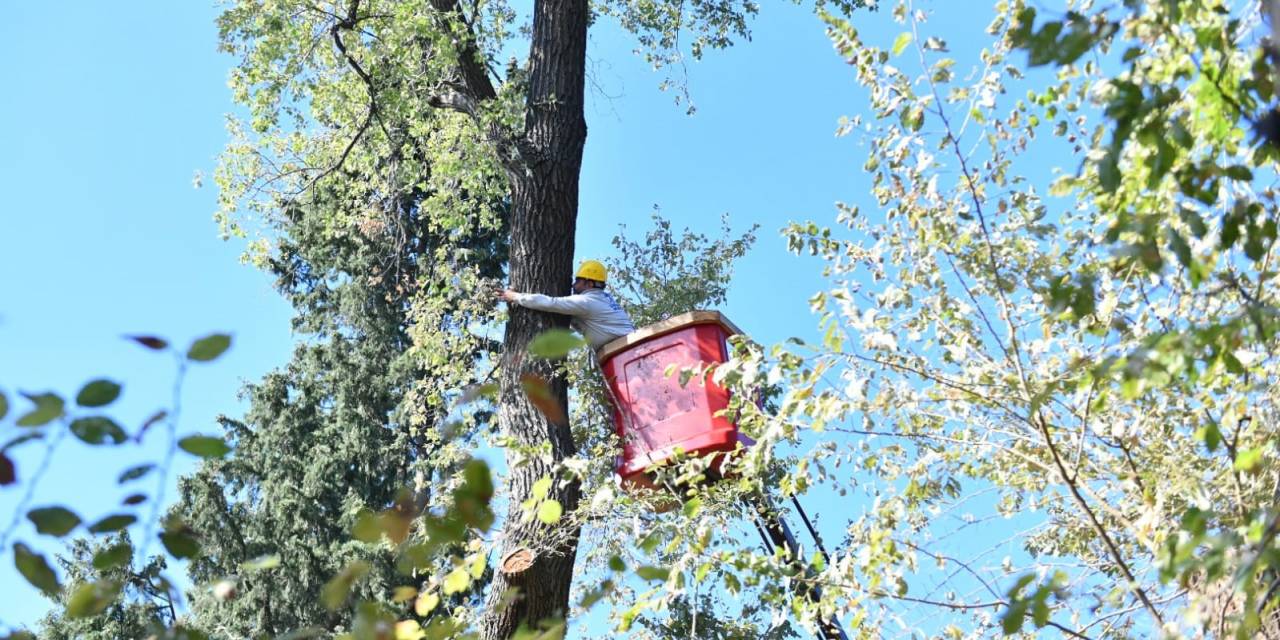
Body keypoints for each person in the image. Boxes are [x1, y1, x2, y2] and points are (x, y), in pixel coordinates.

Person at [495, 259, 636, 350]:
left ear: (589, 283)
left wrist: (515, 296)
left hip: (625, 351)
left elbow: (550, 303)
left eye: (578, 280)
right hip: (628, 349)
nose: (573, 285)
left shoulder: (586, 302)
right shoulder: (603, 299)